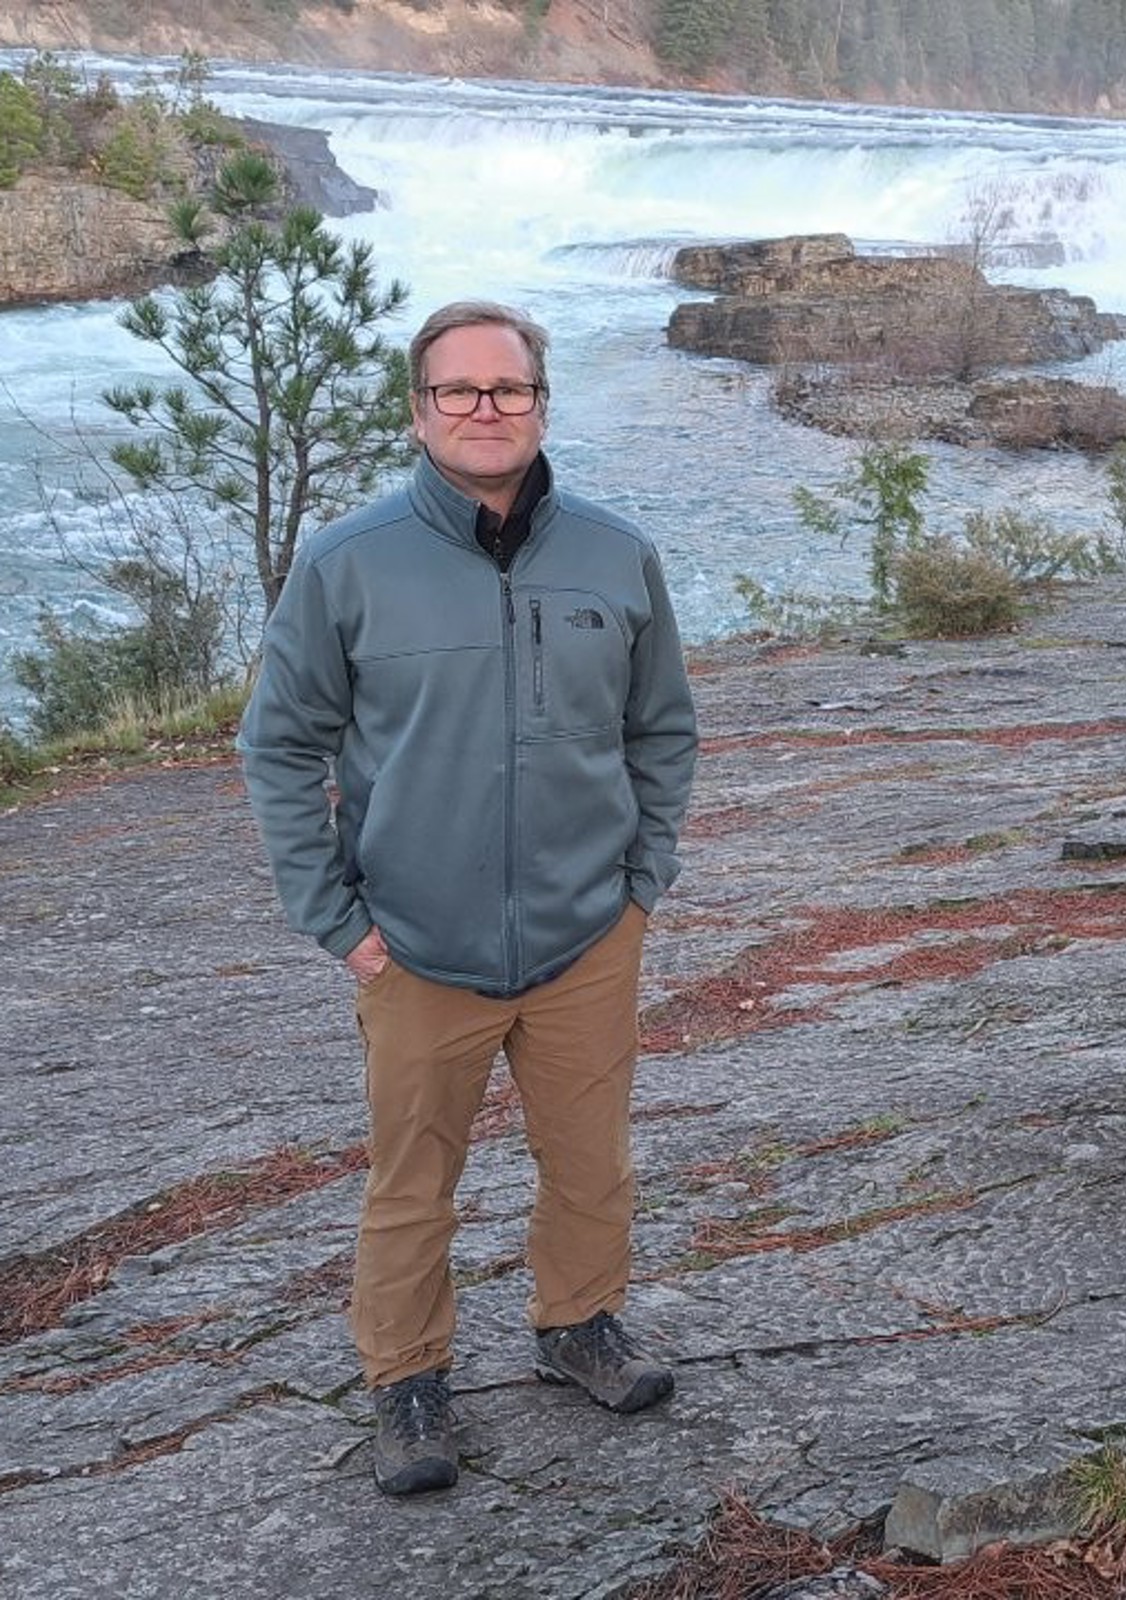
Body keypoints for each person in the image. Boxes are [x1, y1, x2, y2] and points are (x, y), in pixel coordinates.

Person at [238, 300, 698, 1497]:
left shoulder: (616, 552)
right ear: (419, 409)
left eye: (509, 388)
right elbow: (280, 745)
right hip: (417, 943)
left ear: (543, 403)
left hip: (587, 931)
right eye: (459, 390)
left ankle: (578, 1323)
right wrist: (335, 917)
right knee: (412, 1175)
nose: (485, 409)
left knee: (590, 1160)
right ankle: (406, 1379)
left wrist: (641, 883)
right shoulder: (348, 561)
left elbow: (662, 729)